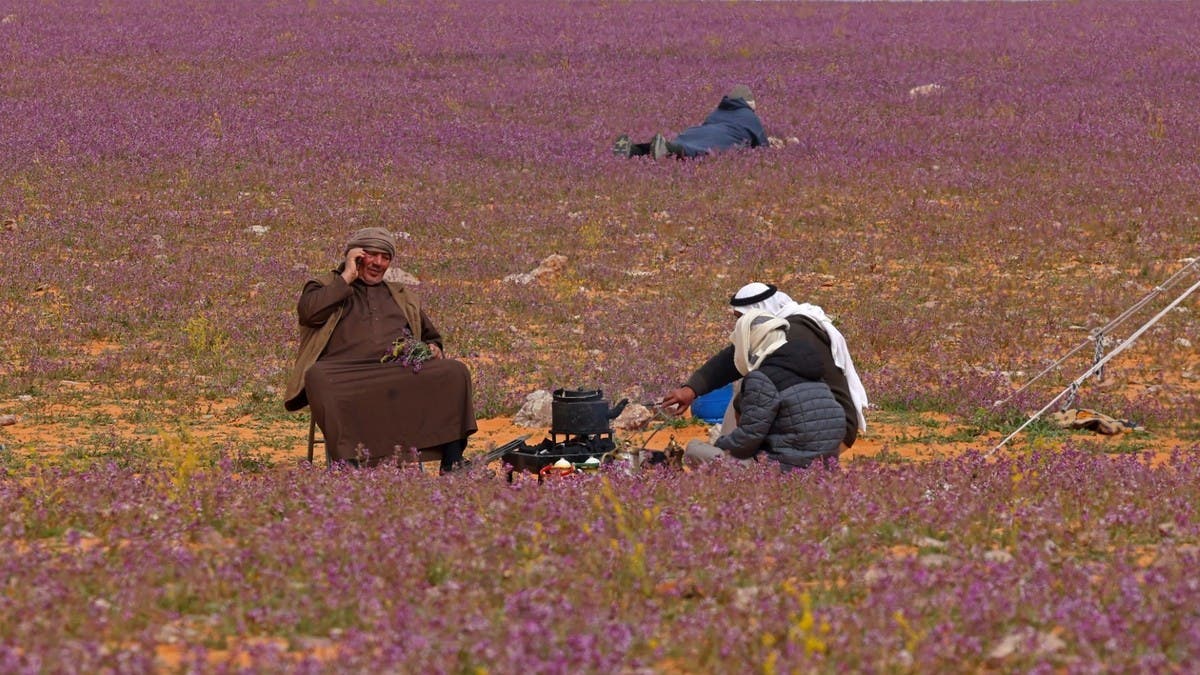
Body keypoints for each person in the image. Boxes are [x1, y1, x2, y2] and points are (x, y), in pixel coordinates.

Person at [283, 227, 477, 471]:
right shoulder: (324, 285)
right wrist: (347, 276)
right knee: (317, 376)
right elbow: (309, 313)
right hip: (344, 374)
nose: (378, 263)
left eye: (385, 257)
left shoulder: (400, 295)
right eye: (371, 255)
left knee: (455, 372)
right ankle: (348, 465)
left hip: (396, 371)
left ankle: (453, 462)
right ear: (354, 256)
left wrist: (433, 348)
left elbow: (432, 336)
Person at [662, 282, 868, 450]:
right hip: (827, 432)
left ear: (758, 313)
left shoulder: (790, 336)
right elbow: (731, 359)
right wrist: (692, 389)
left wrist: (733, 444)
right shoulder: (784, 331)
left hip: (823, 436)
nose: (741, 326)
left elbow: (756, 396)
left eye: (742, 319)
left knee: (748, 383)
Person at [683, 311, 846, 469]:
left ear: (750, 341)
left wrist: (719, 443)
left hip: (782, 472)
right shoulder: (811, 372)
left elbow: (746, 441)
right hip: (825, 469)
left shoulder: (762, 379)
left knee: (694, 450)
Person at [613, 85, 770, 160]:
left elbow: (707, 125)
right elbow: (763, 147)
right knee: (696, 150)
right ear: (749, 103)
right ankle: (665, 147)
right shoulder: (750, 117)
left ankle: (634, 150)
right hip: (723, 138)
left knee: (682, 143)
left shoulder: (717, 111)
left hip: (697, 131)